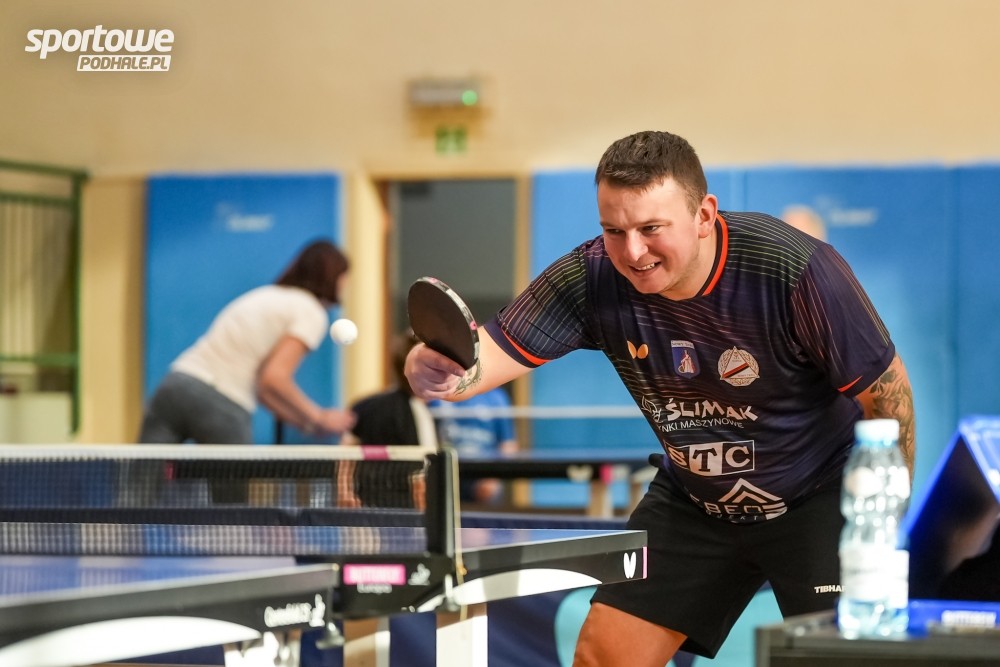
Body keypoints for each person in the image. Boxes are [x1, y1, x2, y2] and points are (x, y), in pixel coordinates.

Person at [404, 130, 916, 666]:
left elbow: (889, 398)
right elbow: (480, 360)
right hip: (695, 501)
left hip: (817, 496)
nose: (632, 252)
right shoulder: (590, 277)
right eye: (613, 230)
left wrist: (882, 525)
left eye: (651, 228)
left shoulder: (792, 268)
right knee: (603, 657)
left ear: (703, 215)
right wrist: (434, 367)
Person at [139, 239, 355, 445]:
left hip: (176, 384)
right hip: (223, 400)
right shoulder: (311, 311)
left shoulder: (265, 295)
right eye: (344, 279)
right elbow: (274, 379)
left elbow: (265, 391)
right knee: (233, 474)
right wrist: (320, 417)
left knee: (143, 471)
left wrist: (308, 424)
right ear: (334, 278)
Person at [340, 332, 435, 508]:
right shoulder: (417, 415)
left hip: (363, 505)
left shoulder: (364, 404)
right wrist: (427, 518)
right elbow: (419, 480)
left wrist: (345, 493)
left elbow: (345, 454)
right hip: (402, 511)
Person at [431, 387, 519, 504]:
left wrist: (494, 477)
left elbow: (508, 444)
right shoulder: (438, 393)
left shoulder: (496, 397)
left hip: (484, 473)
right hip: (446, 472)